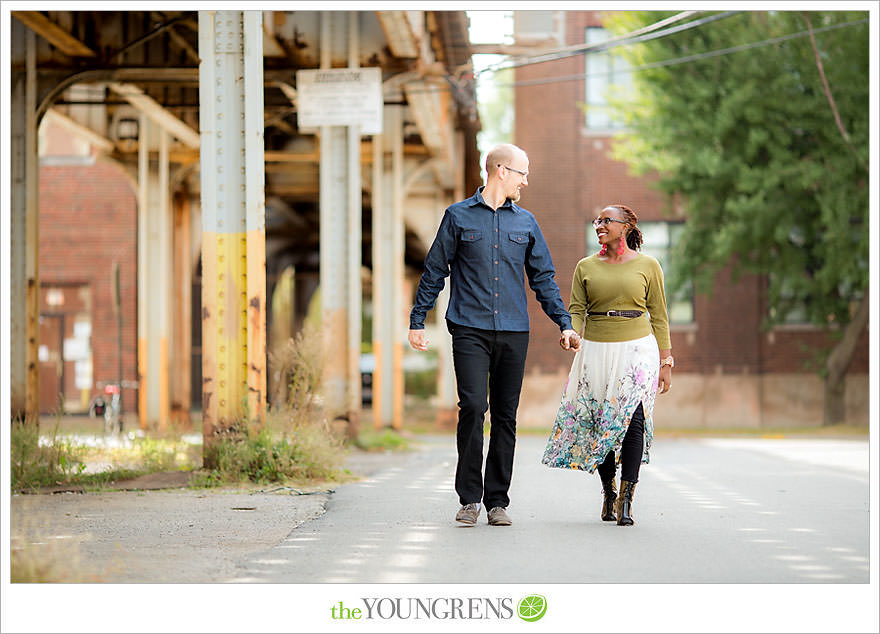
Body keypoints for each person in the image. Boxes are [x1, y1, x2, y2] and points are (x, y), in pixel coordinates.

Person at [408, 143, 581, 527]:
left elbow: (544, 279)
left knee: (505, 415)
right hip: (469, 327)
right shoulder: (457, 217)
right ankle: (469, 498)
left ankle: (497, 500)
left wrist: (564, 323)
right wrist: (417, 320)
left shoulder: (527, 223)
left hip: (514, 330)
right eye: (522, 172)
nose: (526, 180)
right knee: (472, 407)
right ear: (501, 171)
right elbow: (435, 270)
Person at [541, 203, 672, 526]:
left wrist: (666, 361)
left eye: (607, 220)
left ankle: (627, 500)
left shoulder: (648, 265)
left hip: (638, 349)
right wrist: (569, 330)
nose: (599, 225)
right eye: (597, 221)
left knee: (633, 419)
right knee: (602, 419)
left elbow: (659, 315)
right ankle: (609, 492)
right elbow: (575, 308)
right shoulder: (585, 266)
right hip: (596, 349)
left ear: (626, 226)